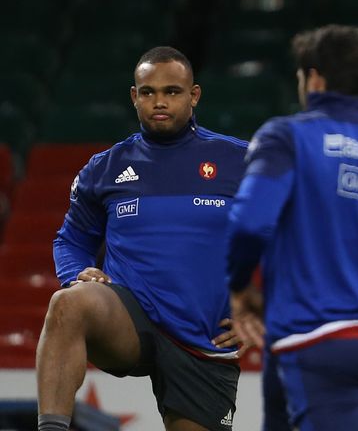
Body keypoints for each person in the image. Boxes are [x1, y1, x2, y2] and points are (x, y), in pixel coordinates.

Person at [226, 24, 358, 431]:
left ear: (315, 77)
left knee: (296, 357)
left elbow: (250, 226)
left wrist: (238, 287)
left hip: (320, 341)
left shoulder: (286, 137)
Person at [36, 46, 258, 431]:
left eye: (172, 91)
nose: (159, 102)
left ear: (194, 95)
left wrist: (261, 306)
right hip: (130, 316)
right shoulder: (105, 168)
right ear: (134, 96)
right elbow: (70, 239)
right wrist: (77, 274)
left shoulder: (240, 161)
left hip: (202, 335)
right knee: (68, 304)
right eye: (148, 92)